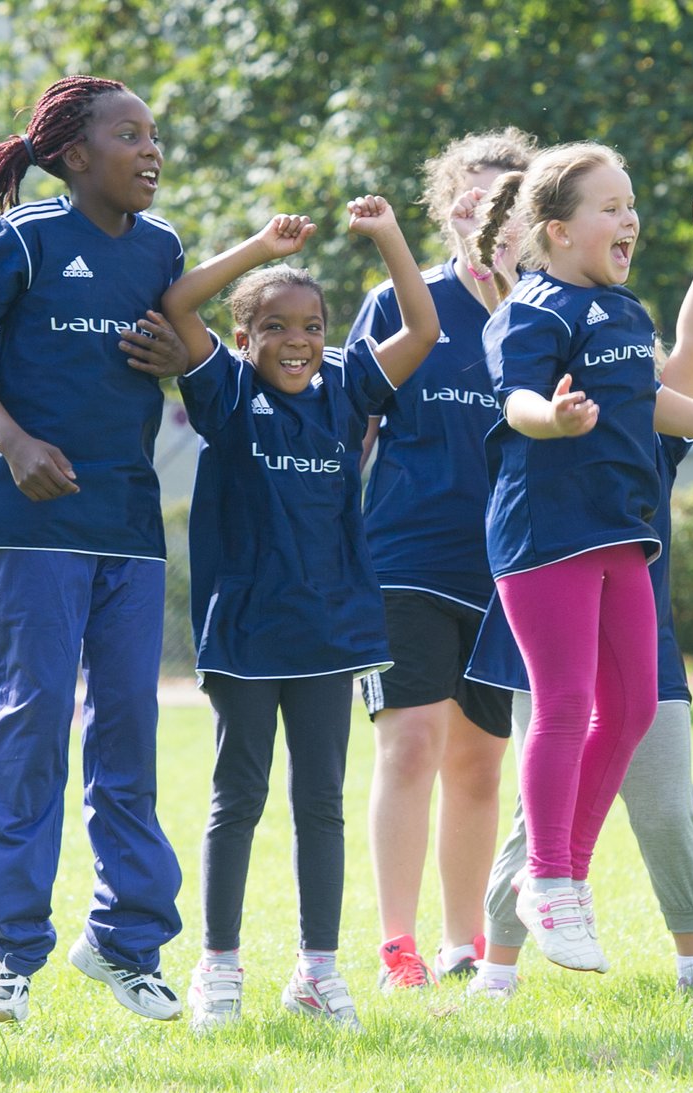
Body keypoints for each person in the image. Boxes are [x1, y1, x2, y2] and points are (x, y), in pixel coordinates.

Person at [478, 142, 693, 973]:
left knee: (634, 710)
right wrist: (551, 418)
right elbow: (512, 399)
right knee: (566, 701)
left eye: (630, 204)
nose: (630, 220)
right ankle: (548, 878)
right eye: (610, 208)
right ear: (557, 230)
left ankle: (560, 875)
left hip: (624, 532)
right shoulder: (533, 310)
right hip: (546, 534)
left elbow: (647, 398)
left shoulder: (624, 313)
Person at [0, 76, 194, 1024]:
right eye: (131, 135)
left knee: (127, 730)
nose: (151, 151)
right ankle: (9, 953)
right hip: (33, 521)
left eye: (155, 134)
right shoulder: (24, 243)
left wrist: (180, 360)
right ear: (76, 155)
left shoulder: (164, 247)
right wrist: (17, 442)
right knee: (30, 720)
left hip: (129, 524)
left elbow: (186, 346)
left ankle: (127, 942)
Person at [160, 198, 439, 1029]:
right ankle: (220, 968)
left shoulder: (348, 387)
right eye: (276, 327)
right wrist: (259, 246)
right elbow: (179, 305)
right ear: (245, 339)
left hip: (329, 630)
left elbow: (421, 327)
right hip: (245, 631)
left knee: (321, 800)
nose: (297, 341)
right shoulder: (223, 390)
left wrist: (387, 235)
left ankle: (318, 971)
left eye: (312, 326)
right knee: (237, 797)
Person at [353, 129, 535, 990]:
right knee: (411, 743)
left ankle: (465, 943)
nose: (490, 211)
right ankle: (400, 947)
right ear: (449, 206)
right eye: (474, 194)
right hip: (402, 560)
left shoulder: (548, 313)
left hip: (506, 571)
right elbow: (348, 426)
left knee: (480, 760)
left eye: (510, 195)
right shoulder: (401, 301)